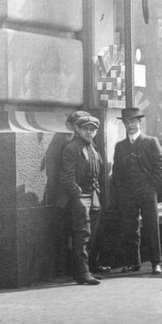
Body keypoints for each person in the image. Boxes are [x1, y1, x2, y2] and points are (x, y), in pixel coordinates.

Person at [111, 106, 162, 275]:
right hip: (128, 194)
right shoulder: (120, 146)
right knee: (130, 228)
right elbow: (117, 171)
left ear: (139, 122)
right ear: (124, 124)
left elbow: (161, 167)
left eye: (133, 121)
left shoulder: (150, 142)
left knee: (152, 227)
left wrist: (151, 186)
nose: (130, 125)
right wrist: (121, 189)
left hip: (147, 191)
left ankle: (156, 263)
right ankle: (133, 263)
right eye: (127, 122)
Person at [57, 110, 105, 285]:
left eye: (92, 129)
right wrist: (77, 195)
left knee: (90, 234)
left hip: (93, 195)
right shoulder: (72, 148)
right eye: (85, 129)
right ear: (77, 129)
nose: (89, 132)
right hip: (79, 196)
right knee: (82, 234)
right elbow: (66, 177)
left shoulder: (92, 147)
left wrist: (96, 192)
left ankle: (86, 269)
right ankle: (82, 273)